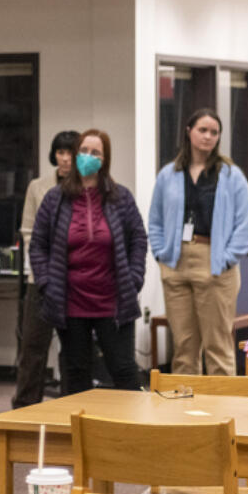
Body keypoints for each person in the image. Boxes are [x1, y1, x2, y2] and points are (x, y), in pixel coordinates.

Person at [29, 128, 147, 395]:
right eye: (83, 151)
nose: (88, 157)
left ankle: (134, 432)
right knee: (76, 373)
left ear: (105, 160)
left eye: (95, 152)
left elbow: (139, 239)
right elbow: (38, 245)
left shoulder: (121, 197)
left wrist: (136, 277)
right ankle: (79, 434)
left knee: (124, 370)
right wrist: (47, 284)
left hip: (112, 301)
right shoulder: (55, 198)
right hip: (71, 302)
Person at [149, 107, 248, 376]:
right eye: (202, 130)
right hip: (176, 261)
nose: (208, 137)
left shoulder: (231, 175)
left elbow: (246, 225)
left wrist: (229, 257)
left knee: (217, 347)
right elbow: (156, 219)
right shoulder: (169, 174)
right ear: (189, 132)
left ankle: (223, 413)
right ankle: (185, 414)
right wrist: (161, 254)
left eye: (214, 132)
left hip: (215, 262)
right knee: (183, 348)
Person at [12, 129, 79, 408]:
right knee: (33, 346)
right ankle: (25, 407)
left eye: (71, 153)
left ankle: (72, 407)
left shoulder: (86, 186)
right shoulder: (38, 187)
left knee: (74, 348)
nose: (65, 159)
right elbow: (27, 232)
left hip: (76, 278)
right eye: (61, 152)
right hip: (40, 277)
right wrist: (43, 268)